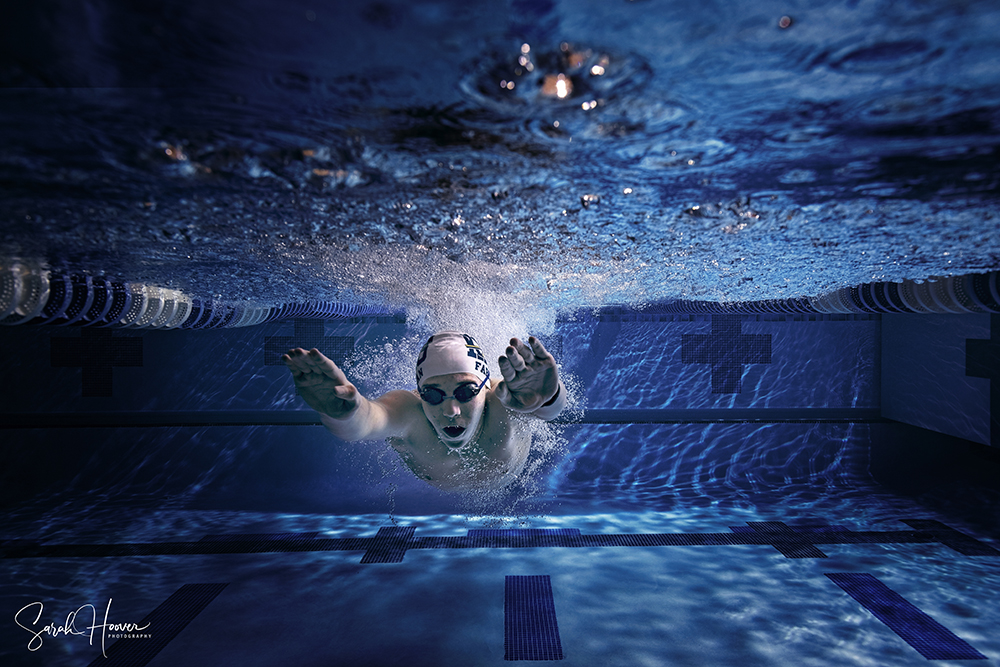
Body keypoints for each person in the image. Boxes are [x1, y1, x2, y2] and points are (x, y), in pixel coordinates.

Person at [282, 331, 566, 490]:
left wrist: (550, 396)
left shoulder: (507, 399)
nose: (451, 410)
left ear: (485, 389)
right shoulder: (410, 413)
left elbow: (547, 411)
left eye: (466, 392)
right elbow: (366, 421)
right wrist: (342, 412)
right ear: (419, 393)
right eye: (432, 395)